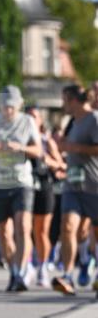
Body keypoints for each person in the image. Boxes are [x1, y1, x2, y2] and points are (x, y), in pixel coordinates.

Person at [0, 85, 42, 292]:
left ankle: (22, 271)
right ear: (0, 105)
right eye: (5, 106)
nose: (9, 110)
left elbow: (38, 150)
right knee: (4, 233)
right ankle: (13, 269)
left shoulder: (27, 121)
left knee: (23, 227)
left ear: (19, 105)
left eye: (12, 106)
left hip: (22, 182)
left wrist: (20, 148)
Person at [51, 84, 98, 295]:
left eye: (64, 100)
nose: (63, 105)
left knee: (94, 234)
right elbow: (65, 146)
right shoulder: (72, 122)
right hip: (72, 184)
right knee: (68, 227)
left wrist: (74, 148)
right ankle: (67, 275)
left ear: (73, 100)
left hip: (93, 185)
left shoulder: (94, 119)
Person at [25, 105, 65, 287]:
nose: (32, 120)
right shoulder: (20, 141)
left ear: (40, 120)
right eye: (28, 116)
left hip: (44, 187)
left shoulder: (47, 141)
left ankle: (42, 267)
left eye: (35, 117)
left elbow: (61, 165)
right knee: (24, 230)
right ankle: (26, 268)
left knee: (41, 231)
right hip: (24, 187)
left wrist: (47, 160)